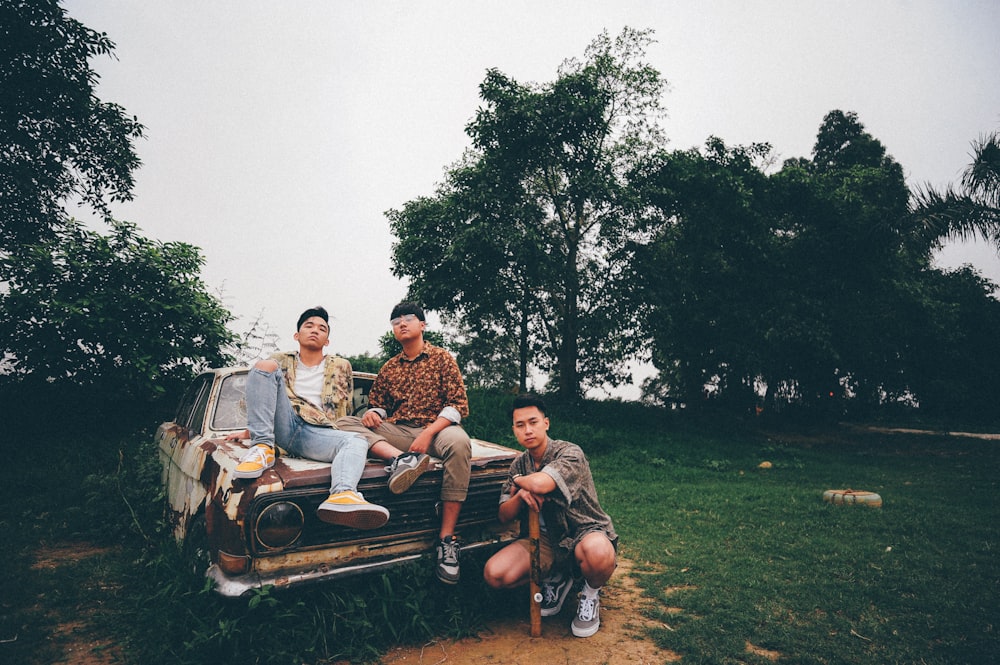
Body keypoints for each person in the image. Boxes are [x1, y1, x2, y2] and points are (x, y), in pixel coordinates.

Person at [336, 302, 472, 584]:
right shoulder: (389, 368)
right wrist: (374, 414)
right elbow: (379, 406)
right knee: (345, 423)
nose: (402, 324)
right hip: (400, 432)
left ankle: (447, 540)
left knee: (461, 443)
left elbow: (457, 405)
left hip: (438, 430)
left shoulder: (442, 358)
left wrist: (428, 433)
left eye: (409, 319)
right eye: (396, 321)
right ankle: (402, 460)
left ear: (422, 325)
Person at [228, 306, 389, 530]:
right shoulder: (279, 361)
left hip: (317, 431)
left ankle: (342, 495)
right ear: (297, 335)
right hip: (284, 423)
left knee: (356, 440)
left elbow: (346, 408)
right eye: (309, 326)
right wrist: (253, 431)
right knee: (263, 366)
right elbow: (262, 398)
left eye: (322, 328)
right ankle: (262, 446)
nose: (315, 330)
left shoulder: (342, 366)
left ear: (327, 340)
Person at [482, 393, 618, 638]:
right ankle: (558, 576)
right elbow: (504, 514)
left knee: (599, 554)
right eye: (520, 425)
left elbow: (543, 484)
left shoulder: (569, 453)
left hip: (582, 532)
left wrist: (521, 484)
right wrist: (519, 496)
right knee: (495, 574)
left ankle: (589, 592)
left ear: (546, 423)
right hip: (545, 542)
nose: (528, 430)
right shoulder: (518, 464)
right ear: (513, 429)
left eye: (533, 422)